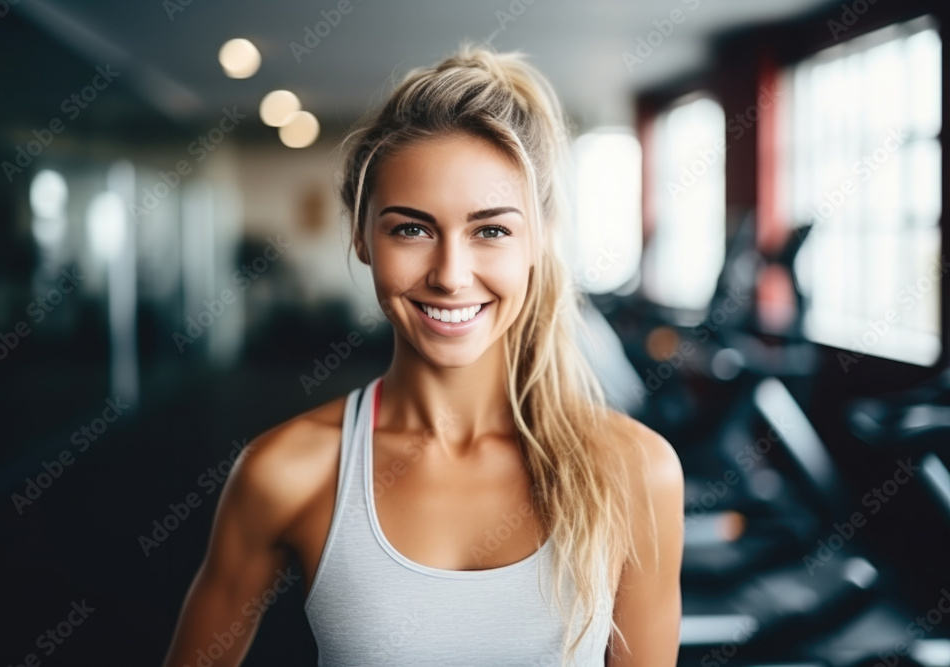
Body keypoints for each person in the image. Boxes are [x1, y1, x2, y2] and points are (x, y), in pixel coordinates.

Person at [161, 41, 684, 667]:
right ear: (361, 236)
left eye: (490, 230)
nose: (450, 275)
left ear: (538, 241)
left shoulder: (634, 473)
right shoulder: (286, 473)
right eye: (411, 229)